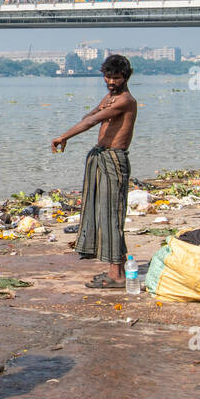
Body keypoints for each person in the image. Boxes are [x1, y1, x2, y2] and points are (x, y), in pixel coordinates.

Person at [52, 54, 138, 288]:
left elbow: (91, 122)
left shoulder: (126, 101)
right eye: (108, 77)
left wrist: (63, 136)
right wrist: (99, 109)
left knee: (112, 216)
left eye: (116, 78)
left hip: (113, 160)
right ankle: (113, 269)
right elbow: (89, 116)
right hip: (101, 157)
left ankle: (118, 275)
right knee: (102, 215)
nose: (111, 82)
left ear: (125, 77)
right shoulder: (110, 98)